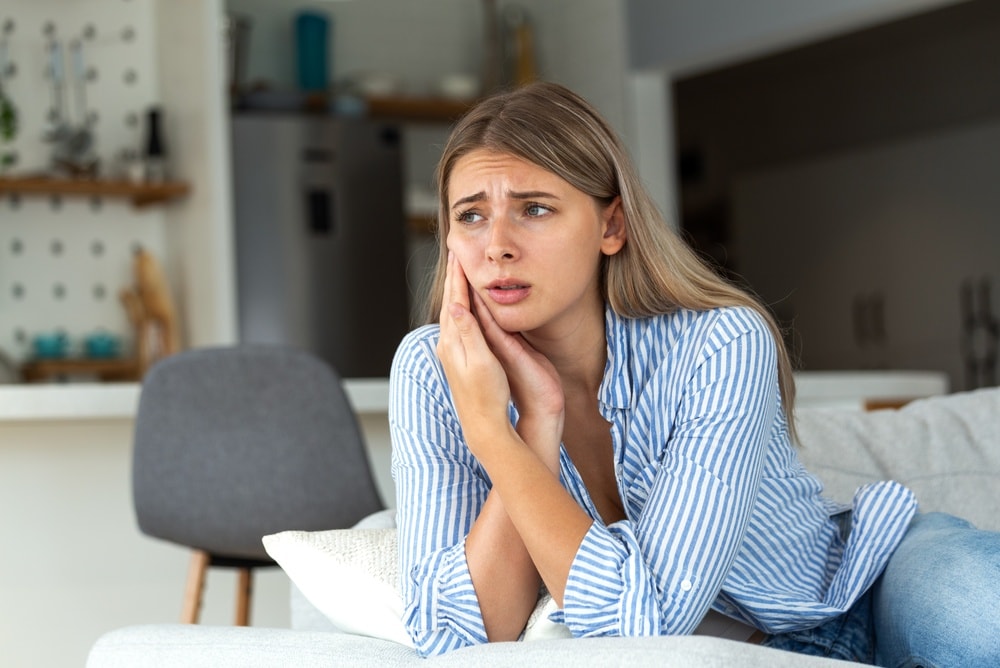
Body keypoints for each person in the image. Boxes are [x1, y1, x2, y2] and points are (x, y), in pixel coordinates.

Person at [388, 81, 1000, 665]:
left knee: (973, 614)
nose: (496, 245)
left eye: (535, 208)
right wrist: (523, 430)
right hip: (735, 649)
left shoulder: (719, 342)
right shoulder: (431, 370)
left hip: (854, 598)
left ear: (611, 226)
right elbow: (455, 635)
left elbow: (648, 615)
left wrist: (494, 437)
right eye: (470, 216)